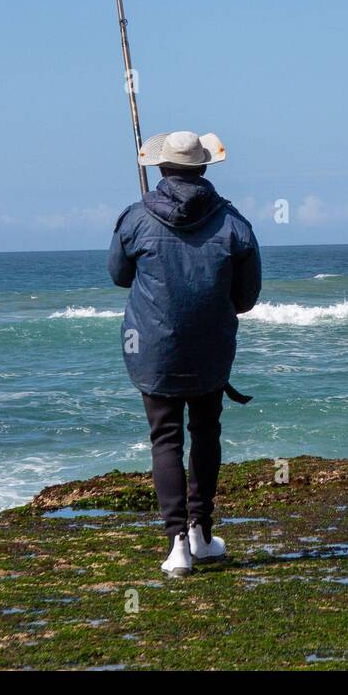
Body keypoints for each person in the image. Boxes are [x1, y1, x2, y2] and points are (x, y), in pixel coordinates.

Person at [108, 130, 261, 578]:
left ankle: (177, 543)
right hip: (210, 348)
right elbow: (247, 297)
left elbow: (118, 275)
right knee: (206, 433)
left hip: (153, 348)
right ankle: (200, 532)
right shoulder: (234, 223)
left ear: (161, 168)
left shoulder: (135, 218)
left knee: (166, 439)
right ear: (204, 168)